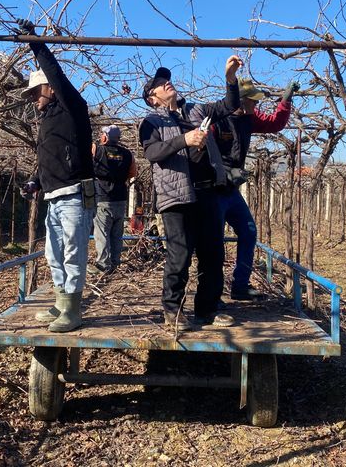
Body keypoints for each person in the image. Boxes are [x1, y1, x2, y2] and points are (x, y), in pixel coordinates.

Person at [139, 55, 242, 330]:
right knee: (179, 255)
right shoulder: (151, 122)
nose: (167, 83)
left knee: (212, 254)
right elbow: (152, 152)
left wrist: (230, 79)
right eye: (160, 83)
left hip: (208, 193)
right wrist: (184, 139)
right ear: (152, 97)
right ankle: (172, 312)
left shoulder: (197, 111)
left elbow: (230, 105)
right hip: (176, 198)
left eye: (167, 80)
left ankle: (207, 310)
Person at [17, 18, 95, 333]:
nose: (34, 99)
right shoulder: (48, 121)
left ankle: (74, 309)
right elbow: (47, 157)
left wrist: (35, 42)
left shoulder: (73, 108)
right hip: (54, 196)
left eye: (37, 92)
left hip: (76, 193)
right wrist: (35, 180)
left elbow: (58, 75)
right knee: (55, 252)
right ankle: (62, 300)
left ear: (50, 87)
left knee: (74, 251)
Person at [213, 79, 298, 300]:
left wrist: (285, 101)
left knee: (249, 232)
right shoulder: (216, 118)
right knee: (214, 242)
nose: (256, 105)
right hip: (212, 191)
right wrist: (222, 171)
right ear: (240, 100)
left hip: (231, 192)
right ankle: (212, 294)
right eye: (253, 101)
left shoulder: (250, 118)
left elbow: (275, 123)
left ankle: (240, 286)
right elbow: (200, 152)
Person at [89, 124, 136, 274]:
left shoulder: (96, 149)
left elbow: (86, 166)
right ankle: (115, 262)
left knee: (102, 233)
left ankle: (103, 264)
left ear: (104, 137)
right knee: (117, 234)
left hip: (102, 198)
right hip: (121, 199)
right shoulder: (128, 154)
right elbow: (132, 173)